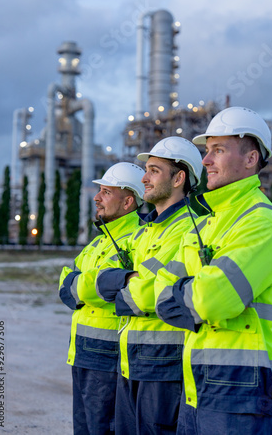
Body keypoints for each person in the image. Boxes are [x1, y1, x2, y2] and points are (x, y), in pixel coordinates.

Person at [155, 106, 272, 435]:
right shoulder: (207, 222)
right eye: (206, 151)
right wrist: (194, 290)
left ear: (250, 159)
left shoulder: (261, 222)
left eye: (218, 150)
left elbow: (212, 301)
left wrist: (189, 292)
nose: (205, 161)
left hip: (242, 391)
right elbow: (161, 295)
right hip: (198, 386)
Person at [96, 136, 203, 435]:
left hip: (164, 362)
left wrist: (120, 285)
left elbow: (148, 294)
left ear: (179, 178)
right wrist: (122, 282)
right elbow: (103, 280)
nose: (143, 177)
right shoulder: (145, 231)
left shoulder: (188, 228)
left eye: (154, 170)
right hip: (130, 359)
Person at [59, 162, 145, 435]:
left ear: (128, 201)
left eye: (106, 192)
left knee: (102, 428)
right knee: (84, 428)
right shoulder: (98, 242)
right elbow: (65, 286)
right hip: (83, 352)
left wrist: (84, 285)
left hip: (108, 355)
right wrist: (95, 285)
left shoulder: (136, 239)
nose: (96, 197)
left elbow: (122, 287)